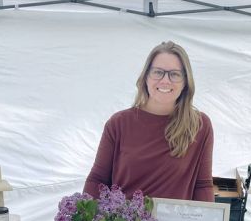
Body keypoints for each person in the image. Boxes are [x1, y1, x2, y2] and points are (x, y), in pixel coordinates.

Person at [84, 40, 214, 202]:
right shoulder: (119, 123)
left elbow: (202, 185)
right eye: (158, 72)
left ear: (185, 82)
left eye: (175, 74)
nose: (165, 81)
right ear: (146, 77)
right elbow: (98, 179)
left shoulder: (199, 125)